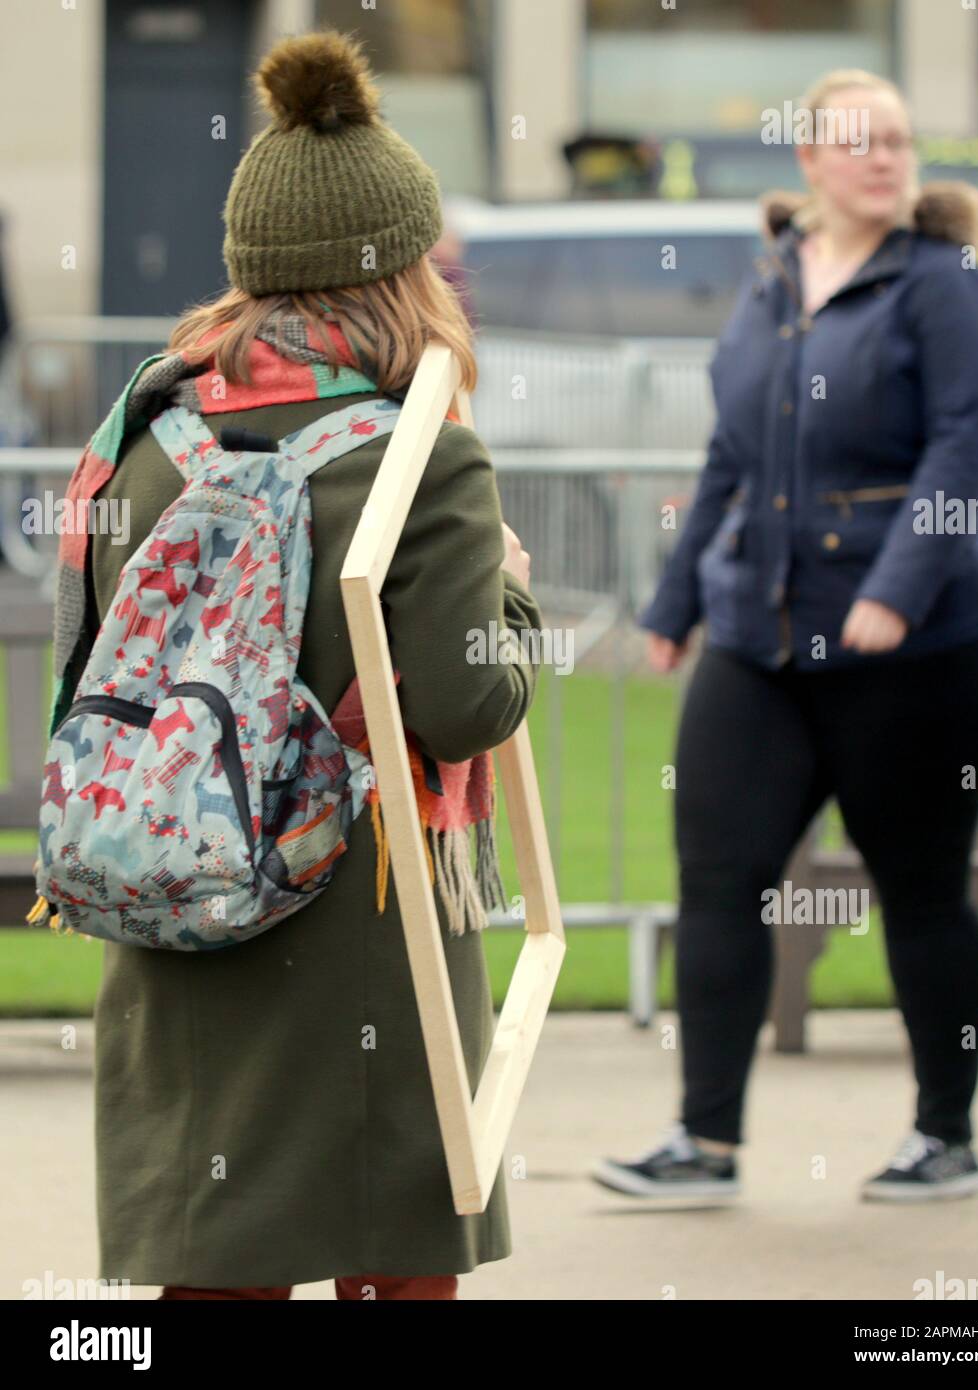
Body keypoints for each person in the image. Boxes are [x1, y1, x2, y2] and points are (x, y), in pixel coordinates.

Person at [65, 30, 541, 1298]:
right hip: (360, 923)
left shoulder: (151, 430)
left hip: (181, 889)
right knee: (392, 1266)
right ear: (398, 271)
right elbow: (462, 699)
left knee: (214, 1264)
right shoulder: (420, 453)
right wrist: (512, 594)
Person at [595, 69, 978, 1204]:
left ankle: (945, 1135)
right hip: (759, 639)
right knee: (719, 879)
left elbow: (965, 446)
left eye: (897, 141)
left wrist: (901, 583)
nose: (884, 158)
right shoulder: (773, 280)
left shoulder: (945, 283)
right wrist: (675, 606)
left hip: (914, 649)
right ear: (810, 162)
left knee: (921, 889)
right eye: (858, 141)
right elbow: (728, 456)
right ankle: (704, 1142)